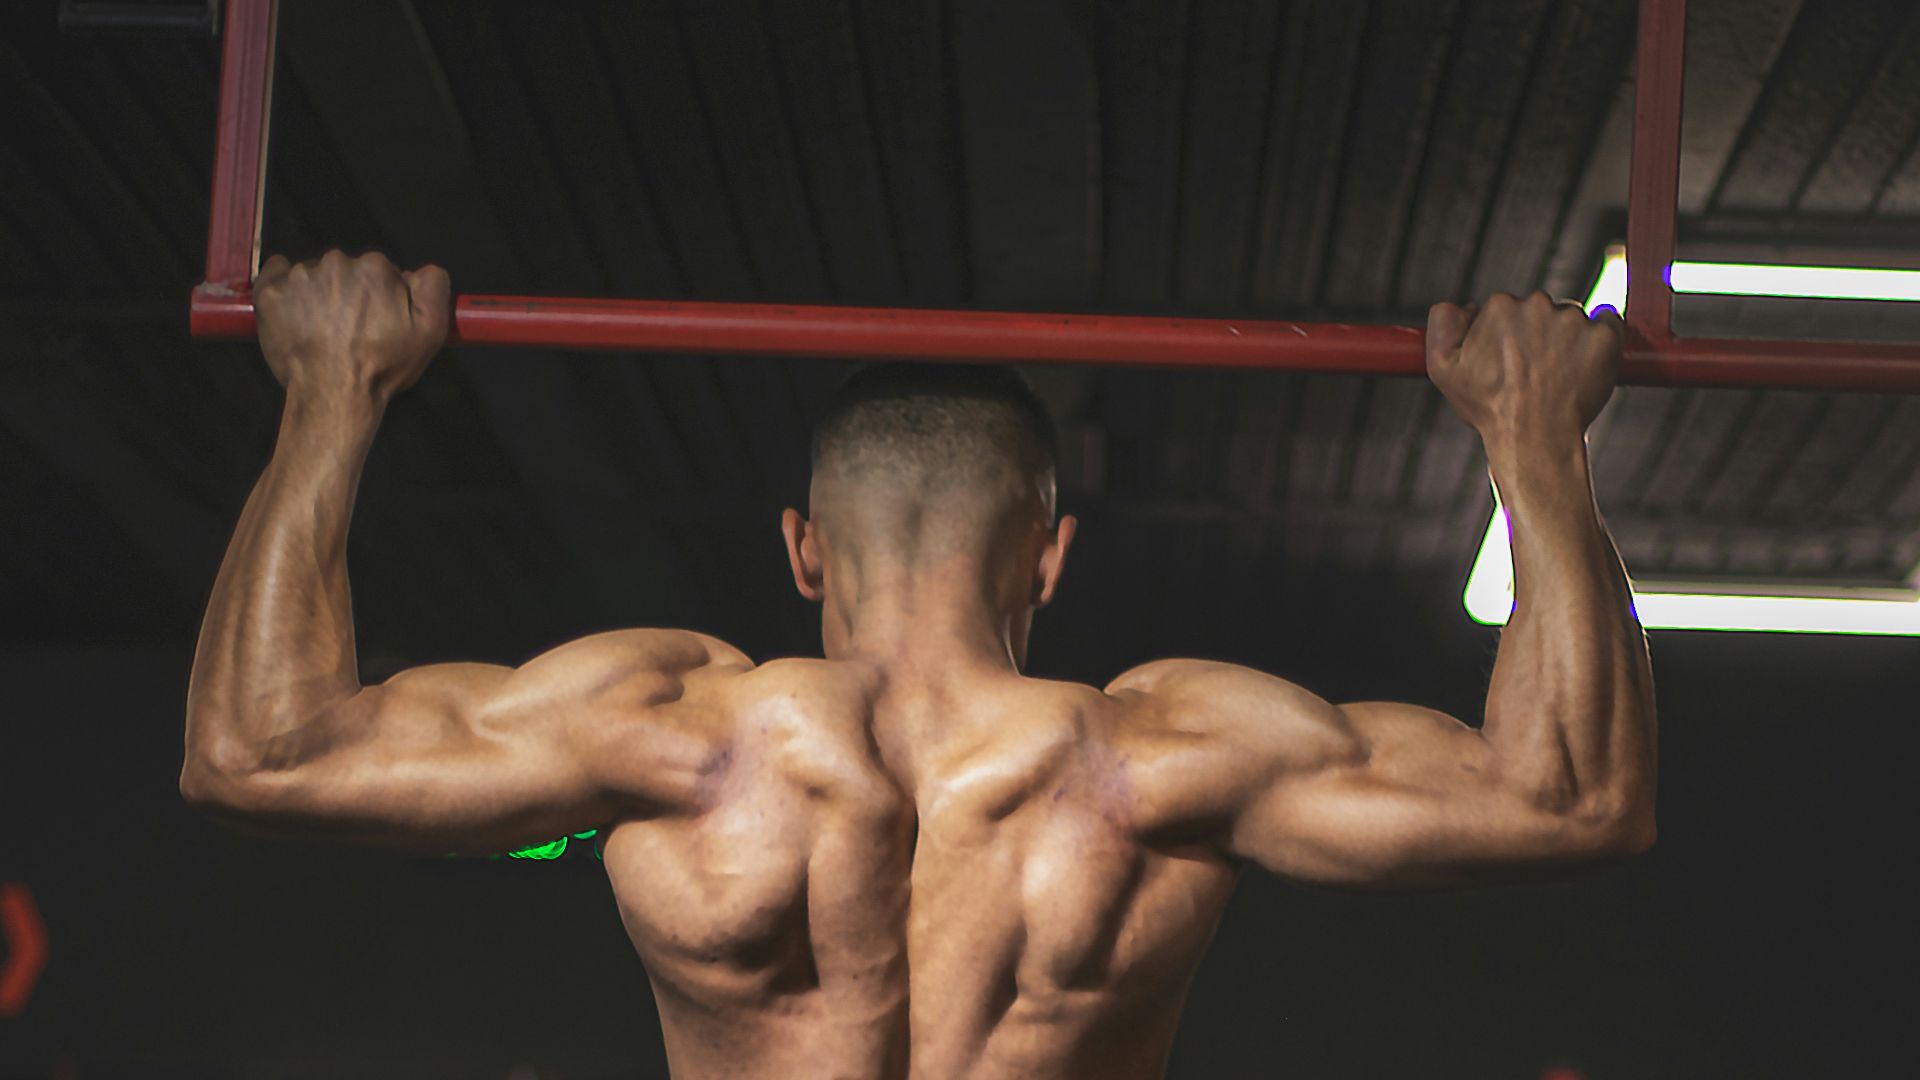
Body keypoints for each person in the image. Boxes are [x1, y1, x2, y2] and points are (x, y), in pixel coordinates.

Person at [182, 250, 1656, 1080]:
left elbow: (256, 751)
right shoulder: (1159, 758)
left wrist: (333, 393)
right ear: (1051, 555)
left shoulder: (677, 735)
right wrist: (1531, 436)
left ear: (803, 549)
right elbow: (1573, 799)